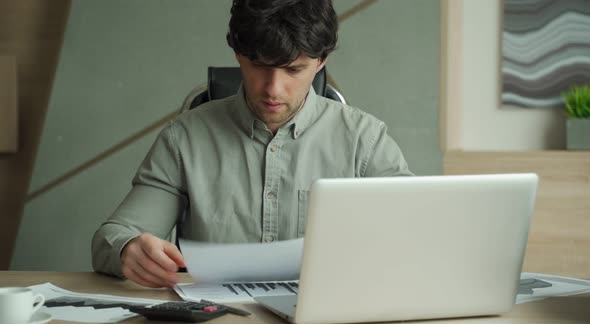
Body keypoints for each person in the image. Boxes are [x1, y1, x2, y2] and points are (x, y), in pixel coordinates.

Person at [92, 0, 413, 289]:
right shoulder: (185, 138)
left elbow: (415, 233)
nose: (273, 88)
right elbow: (114, 235)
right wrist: (129, 249)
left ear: (321, 62)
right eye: (259, 66)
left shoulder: (364, 139)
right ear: (238, 54)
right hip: (213, 321)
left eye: (293, 70)